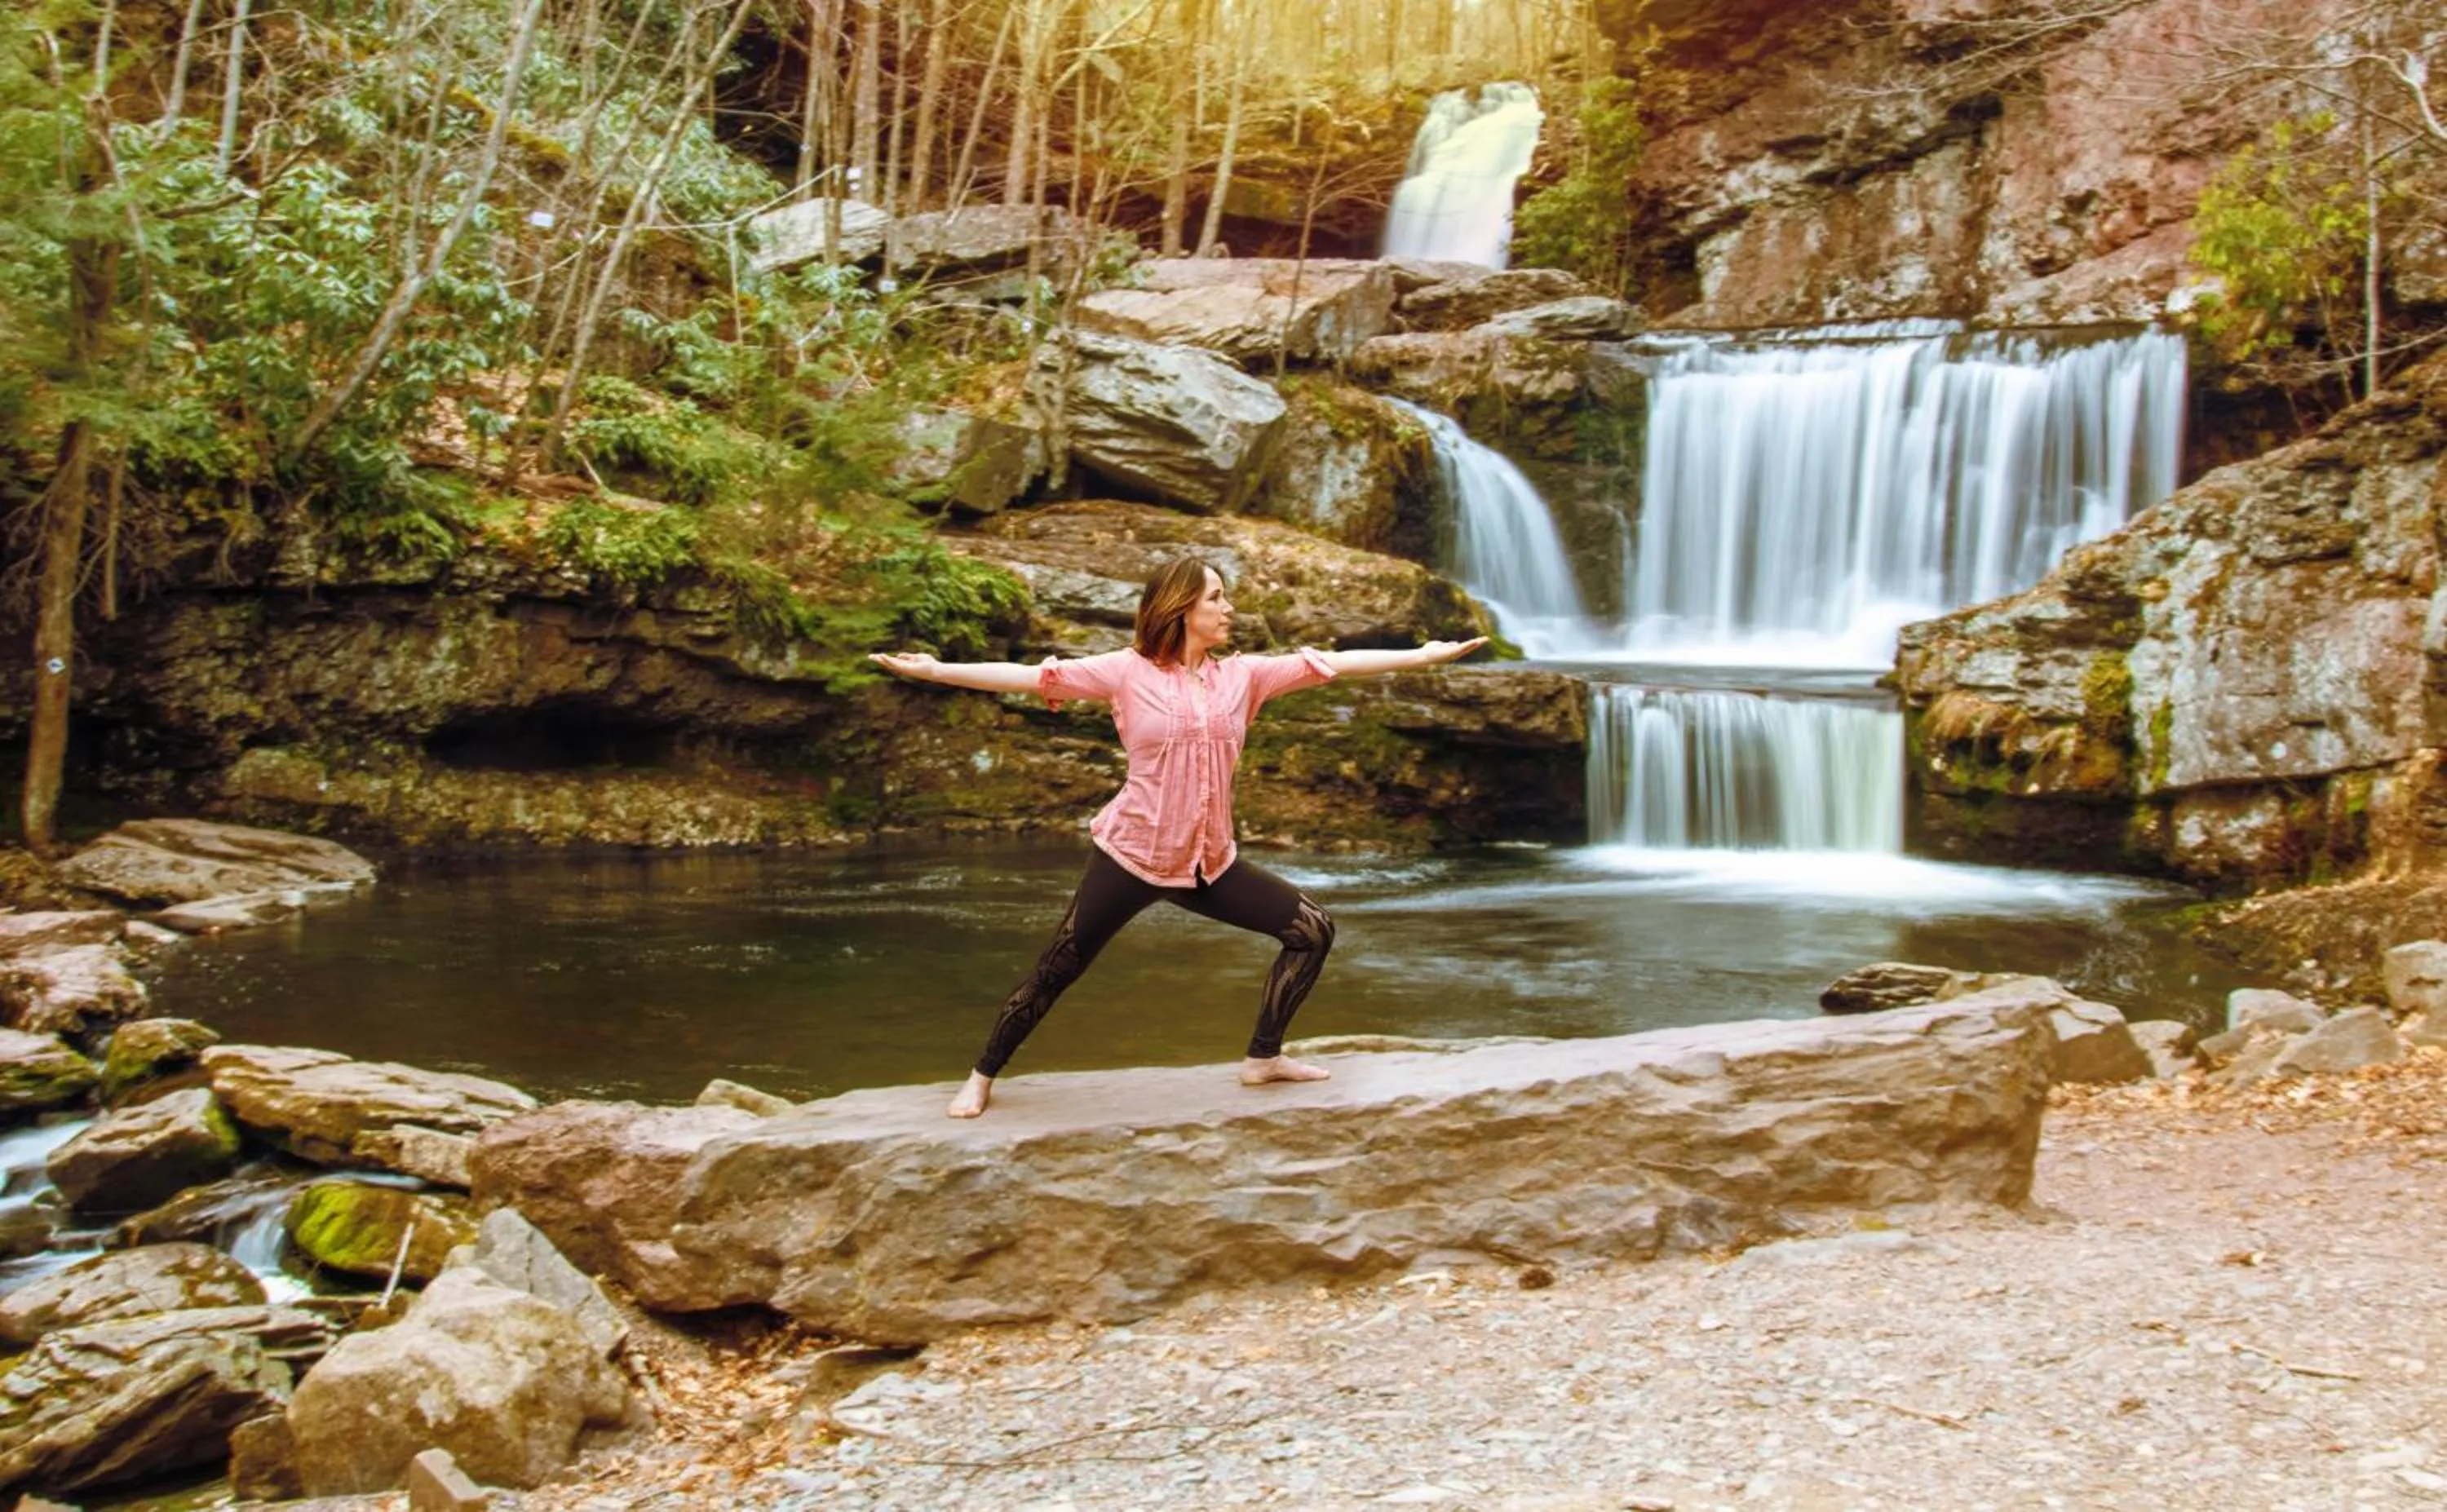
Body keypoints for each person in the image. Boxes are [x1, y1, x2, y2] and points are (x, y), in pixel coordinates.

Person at [871, 557, 1487, 1118]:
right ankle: (982, 1075)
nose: (1228, 609)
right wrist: (935, 671)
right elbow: (1032, 677)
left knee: (1312, 931)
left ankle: (1264, 1059)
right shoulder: (1124, 672)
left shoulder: (1243, 677)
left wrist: (1421, 657)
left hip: (1208, 863)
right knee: (1058, 968)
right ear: (1181, 607)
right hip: (1132, 855)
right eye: (1216, 598)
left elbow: (1326, 664)